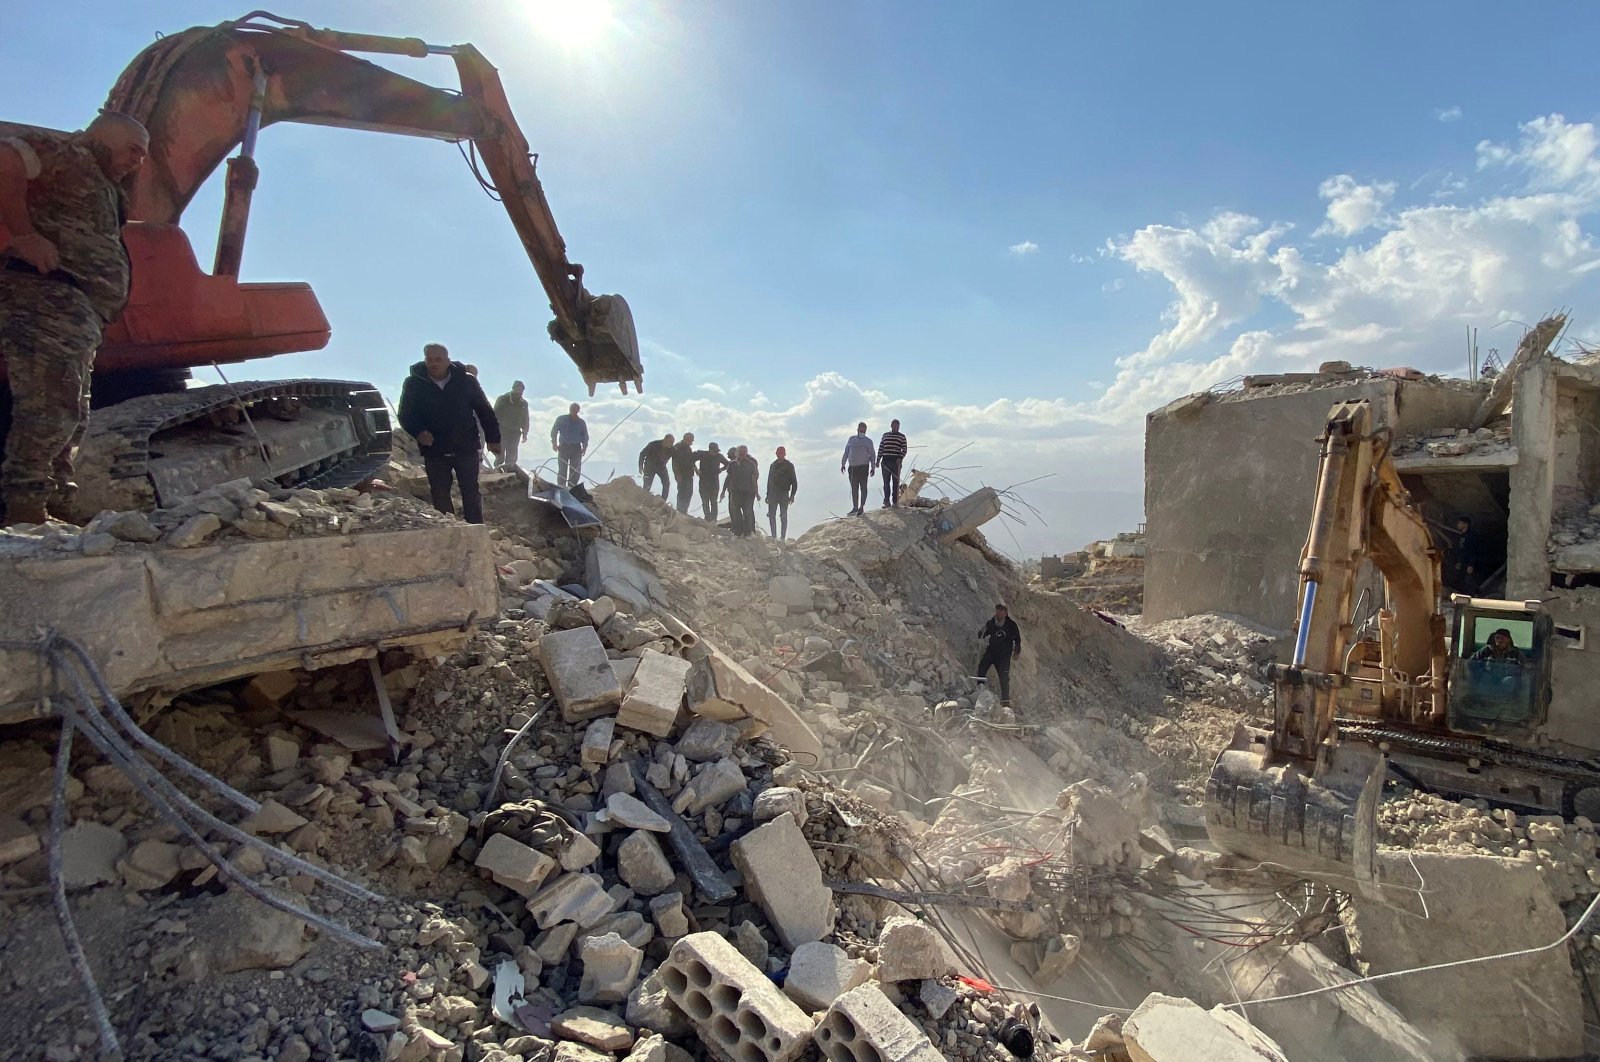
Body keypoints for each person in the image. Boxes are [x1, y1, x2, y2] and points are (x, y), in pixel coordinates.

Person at [0, 112, 149, 525]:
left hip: (79, 307)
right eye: (133, 149)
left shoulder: (104, 184)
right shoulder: (67, 153)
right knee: (50, 405)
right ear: (104, 136)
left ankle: (54, 503)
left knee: (73, 411)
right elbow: (7, 157)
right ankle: (24, 507)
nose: (138, 161)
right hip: (48, 294)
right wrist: (25, 235)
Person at [397, 342, 501, 523]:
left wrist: (493, 439)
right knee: (439, 491)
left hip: (465, 445)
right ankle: (448, 527)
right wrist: (419, 431)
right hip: (434, 448)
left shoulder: (466, 381)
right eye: (429, 359)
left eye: (438, 359)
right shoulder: (414, 383)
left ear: (448, 361)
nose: (433, 364)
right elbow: (406, 414)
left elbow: (484, 410)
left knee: (470, 490)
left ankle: (474, 529)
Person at [975, 603, 1023, 707]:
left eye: (1001, 611)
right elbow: (981, 634)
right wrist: (982, 632)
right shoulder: (991, 623)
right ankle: (979, 690)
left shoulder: (1011, 625)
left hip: (1004, 656)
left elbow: (1017, 640)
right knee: (982, 668)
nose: (998, 613)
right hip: (991, 652)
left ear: (1005, 613)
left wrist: (1016, 651)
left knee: (1004, 678)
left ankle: (1006, 702)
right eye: (997, 611)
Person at [840, 421, 876, 516]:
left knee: (863, 487)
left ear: (866, 430)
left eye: (864, 428)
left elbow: (872, 454)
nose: (862, 430)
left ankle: (862, 506)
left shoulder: (868, 441)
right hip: (852, 468)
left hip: (863, 467)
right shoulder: (851, 439)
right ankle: (855, 507)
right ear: (858, 429)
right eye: (861, 428)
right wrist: (843, 464)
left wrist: (873, 467)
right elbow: (846, 452)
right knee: (854, 488)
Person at [722, 445, 760, 536]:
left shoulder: (751, 464)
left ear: (746, 452)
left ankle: (748, 532)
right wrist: (723, 491)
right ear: (737, 453)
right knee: (736, 512)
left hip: (748, 492)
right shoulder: (732, 464)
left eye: (744, 451)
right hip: (735, 491)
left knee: (748, 512)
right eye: (740, 451)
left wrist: (756, 493)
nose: (742, 453)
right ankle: (738, 532)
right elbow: (728, 477)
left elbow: (754, 479)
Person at [491, 380, 529, 470]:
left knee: (512, 455)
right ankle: (497, 471)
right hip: (501, 430)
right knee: (500, 454)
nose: (519, 392)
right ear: (513, 388)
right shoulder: (503, 399)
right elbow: (494, 414)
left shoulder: (524, 403)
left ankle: (509, 473)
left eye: (521, 390)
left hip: (515, 431)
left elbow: (526, 419)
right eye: (518, 389)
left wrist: (525, 432)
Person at [550, 402, 588, 488]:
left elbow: (585, 436)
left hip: (576, 448)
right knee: (562, 469)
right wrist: (554, 443)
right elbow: (554, 431)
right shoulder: (561, 419)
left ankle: (571, 488)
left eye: (575, 409)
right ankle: (561, 487)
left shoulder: (581, 422)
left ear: (578, 410)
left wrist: (584, 447)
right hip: (564, 447)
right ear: (569, 409)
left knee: (575, 471)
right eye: (572, 409)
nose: (573, 410)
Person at [767, 445, 798, 540]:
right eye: (778, 453)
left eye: (782, 453)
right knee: (771, 515)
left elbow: (794, 481)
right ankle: (773, 536)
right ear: (776, 454)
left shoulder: (789, 465)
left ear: (784, 454)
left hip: (784, 493)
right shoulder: (773, 465)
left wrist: (792, 495)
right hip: (773, 493)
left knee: (783, 515)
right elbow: (769, 481)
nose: (780, 454)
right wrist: (767, 495)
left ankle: (782, 537)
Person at [695, 441, 729, 522]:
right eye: (714, 451)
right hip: (703, 481)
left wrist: (721, 469)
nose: (715, 452)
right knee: (705, 501)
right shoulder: (702, 454)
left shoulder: (719, 456)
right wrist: (696, 470)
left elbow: (727, 464)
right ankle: (707, 518)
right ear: (710, 449)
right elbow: (691, 459)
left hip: (714, 482)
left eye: (717, 451)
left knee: (713, 502)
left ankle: (713, 519)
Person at [878, 419, 907, 508]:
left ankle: (895, 502)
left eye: (897, 426)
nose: (896, 428)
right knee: (886, 483)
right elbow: (881, 447)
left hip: (896, 463)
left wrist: (900, 458)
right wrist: (878, 459)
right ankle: (886, 502)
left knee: (896, 482)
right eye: (894, 426)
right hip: (885, 462)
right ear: (891, 426)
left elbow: (904, 449)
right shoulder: (885, 435)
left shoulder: (902, 437)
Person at [638, 433, 675, 499]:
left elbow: (678, 459)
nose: (672, 444)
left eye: (673, 442)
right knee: (647, 485)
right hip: (650, 466)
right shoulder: (653, 444)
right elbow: (642, 454)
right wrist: (640, 466)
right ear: (665, 440)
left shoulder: (672, 449)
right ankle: (643, 499)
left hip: (661, 467)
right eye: (670, 442)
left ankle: (663, 501)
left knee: (666, 483)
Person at [1450, 516, 1479, 594]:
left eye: (1460, 523)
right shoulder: (1462, 536)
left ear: (1466, 524)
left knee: (1469, 581)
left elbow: (1473, 550)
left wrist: (1471, 564)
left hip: (1468, 563)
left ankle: (1473, 596)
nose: (1458, 525)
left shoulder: (1471, 535)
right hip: (1462, 562)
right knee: (1460, 581)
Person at [671, 432, 698, 515]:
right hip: (681, 474)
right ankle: (680, 511)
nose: (692, 443)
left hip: (689, 473)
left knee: (689, 492)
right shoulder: (678, 447)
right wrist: (677, 474)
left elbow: (691, 460)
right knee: (682, 492)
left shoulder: (688, 448)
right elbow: (674, 462)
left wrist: (696, 469)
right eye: (691, 440)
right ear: (687, 439)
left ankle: (684, 510)